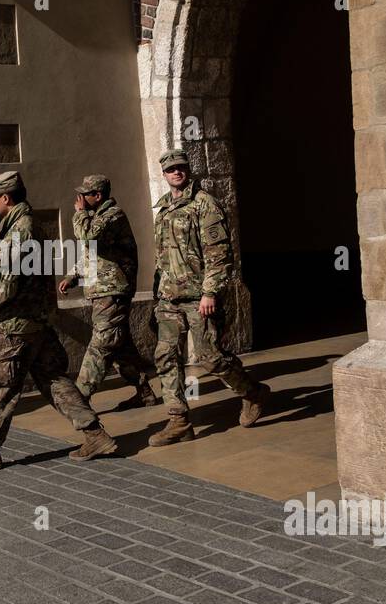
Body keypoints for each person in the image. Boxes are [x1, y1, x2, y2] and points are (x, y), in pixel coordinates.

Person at [0, 170, 117, 473]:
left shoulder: (19, 231)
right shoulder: (29, 224)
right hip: (36, 323)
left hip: (15, 325)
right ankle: (95, 435)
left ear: (5, 197)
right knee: (53, 379)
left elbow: (5, 285)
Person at [149, 149, 267, 446]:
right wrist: (157, 292)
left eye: (181, 167)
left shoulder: (205, 204)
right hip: (169, 298)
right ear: (164, 175)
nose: (177, 172)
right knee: (165, 357)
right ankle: (178, 421)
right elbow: (162, 255)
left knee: (210, 358)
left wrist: (210, 291)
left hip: (198, 297)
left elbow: (219, 255)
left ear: (187, 170)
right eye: (171, 169)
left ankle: (252, 393)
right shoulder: (163, 206)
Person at [58, 174, 157, 409]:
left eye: (85, 194)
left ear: (98, 195)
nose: (80, 198)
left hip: (113, 290)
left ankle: (80, 396)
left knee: (102, 342)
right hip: (102, 290)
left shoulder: (113, 215)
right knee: (119, 345)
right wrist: (74, 275)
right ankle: (144, 392)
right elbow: (93, 253)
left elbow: (88, 236)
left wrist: (80, 213)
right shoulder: (96, 217)